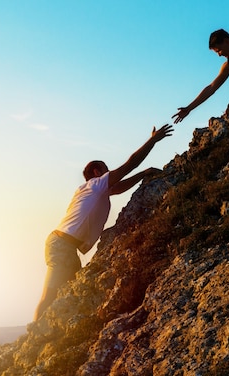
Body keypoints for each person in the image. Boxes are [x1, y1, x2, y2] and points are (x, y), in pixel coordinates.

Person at [33, 124, 174, 321]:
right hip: (61, 245)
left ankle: (46, 335)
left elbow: (121, 186)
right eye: (108, 171)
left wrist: (144, 174)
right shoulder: (96, 185)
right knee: (50, 295)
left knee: (68, 298)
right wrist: (153, 141)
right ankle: (33, 335)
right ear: (98, 172)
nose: (112, 175)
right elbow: (129, 164)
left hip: (65, 245)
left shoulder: (95, 189)